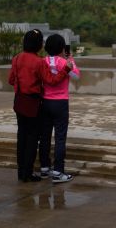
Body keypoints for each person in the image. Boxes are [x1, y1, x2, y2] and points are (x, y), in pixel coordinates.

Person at [8, 29, 71, 183]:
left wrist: (21, 84)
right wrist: (66, 69)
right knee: (32, 138)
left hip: (19, 100)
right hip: (33, 102)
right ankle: (28, 173)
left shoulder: (16, 58)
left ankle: (21, 171)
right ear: (38, 44)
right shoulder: (38, 61)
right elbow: (52, 80)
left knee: (21, 136)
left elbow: (11, 80)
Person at [38, 33, 80, 183]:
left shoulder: (42, 62)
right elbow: (76, 76)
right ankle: (58, 171)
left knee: (45, 136)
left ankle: (44, 167)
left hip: (45, 102)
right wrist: (70, 60)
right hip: (61, 103)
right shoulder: (64, 62)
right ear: (62, 48)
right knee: (60, 138)